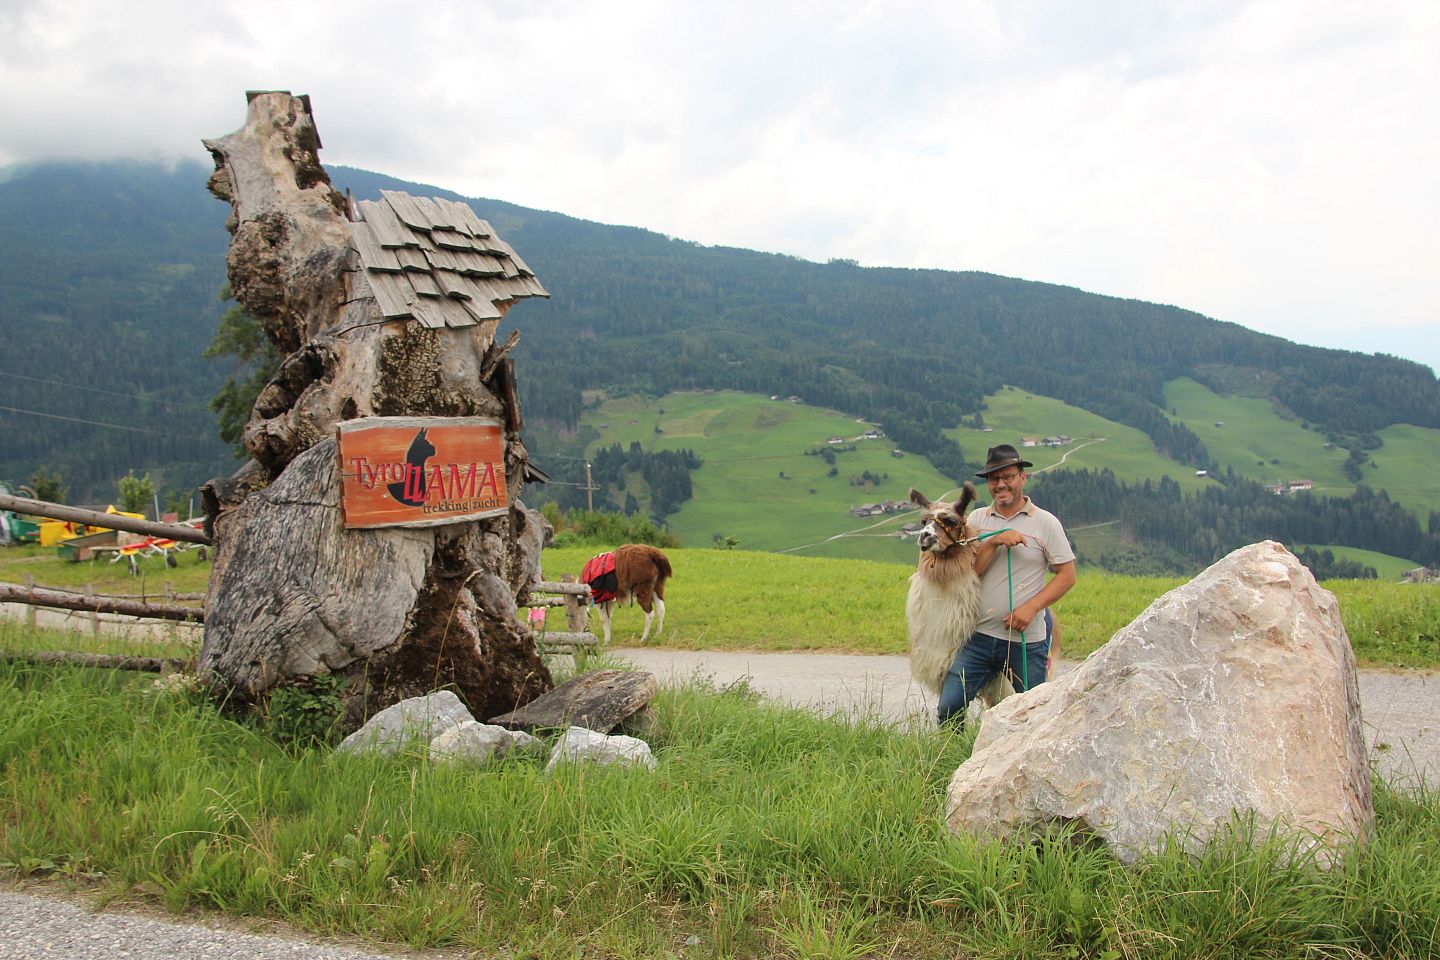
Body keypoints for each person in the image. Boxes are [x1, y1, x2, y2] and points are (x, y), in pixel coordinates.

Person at [936, 444, 1077, 725]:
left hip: (1026, 642)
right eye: (993, 479)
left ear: (1022, 478)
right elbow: (970, 575)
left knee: (1034, 715)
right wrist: (993, 542)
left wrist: (1031, 608)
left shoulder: (1046, 523)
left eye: (1008, 477)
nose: (1000, 484)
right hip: (978, 637)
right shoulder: (977, 519)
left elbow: (1067, 575)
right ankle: (954, 762)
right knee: (950, 707)